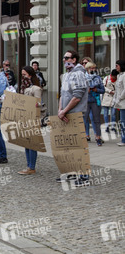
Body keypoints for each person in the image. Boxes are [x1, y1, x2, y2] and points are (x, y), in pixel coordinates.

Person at [58, 50, 89, 187]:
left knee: (78, 146)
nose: (64, 60)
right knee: (69, 145)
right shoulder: (67, 74)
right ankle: (72, 172)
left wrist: (64, 110)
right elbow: (62, 93)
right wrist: (60, 110)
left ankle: (84, 176)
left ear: (74, 59)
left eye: (67, 58)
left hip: (75, 114)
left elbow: (77, 96)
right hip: (66, 114)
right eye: (64, 58)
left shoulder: (80, 73)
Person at [17, 66, 42, 175]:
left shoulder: (35, 88)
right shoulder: (22, 87)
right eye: (22, 75)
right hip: (24, 117)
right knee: (26, 142)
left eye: (25, 75)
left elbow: (38, 103)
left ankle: (31, 166)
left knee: (32, 143)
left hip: (32, 117)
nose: (23, 77)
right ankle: (28, 165)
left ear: (30, 75)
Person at [83, 62, 105, 146]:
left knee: (97, 120)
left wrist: (96, 90)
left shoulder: (98, 78)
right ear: (87, 69)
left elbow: (103, 90)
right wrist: (86, 91)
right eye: (91, 68)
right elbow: (79, 90)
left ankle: (98, 137)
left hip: (95, 101)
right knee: (84, 120)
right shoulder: (83, 77)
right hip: (86, 101)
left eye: (94, 68)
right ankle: (85, 136)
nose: (93, 70)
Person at [113, 60, 125, 147]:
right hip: (120, 102)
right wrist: (115, 99)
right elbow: (117, 90)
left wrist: (120, 98)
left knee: (123, 122)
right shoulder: (119, 75)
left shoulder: (124, 75)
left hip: (123, 102)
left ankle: (123, 140)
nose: (116, 67)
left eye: (117, 65)